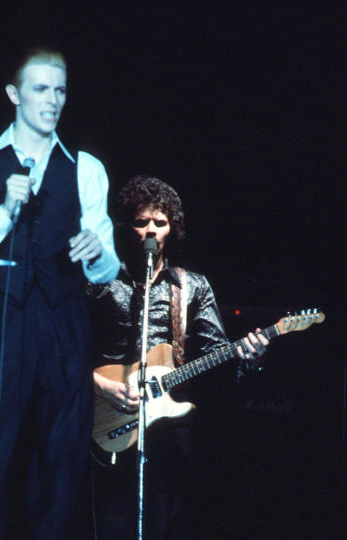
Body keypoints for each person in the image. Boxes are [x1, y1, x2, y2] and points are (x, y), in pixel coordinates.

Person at [0, 48, 120, 539]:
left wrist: (96, 250)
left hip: (64, 328)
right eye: (41, 89)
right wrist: (3, 214)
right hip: (0, 325)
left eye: (60, 90)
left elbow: (108, 270)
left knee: (60, 469)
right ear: (14, 95)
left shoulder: (86, 168)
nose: (53, 100)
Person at [87, 175, 270, 539]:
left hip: (169, 425)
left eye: (161, 222)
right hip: (104, 416)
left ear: (173, 228)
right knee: (113, 520)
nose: (151, 230)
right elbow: (64, 350)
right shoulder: (99, 282)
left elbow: (218, 353)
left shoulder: (192, 286)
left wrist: (249, 357)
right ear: (126, 226)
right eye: (142, 222)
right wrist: (100, 385)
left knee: (168, 522)